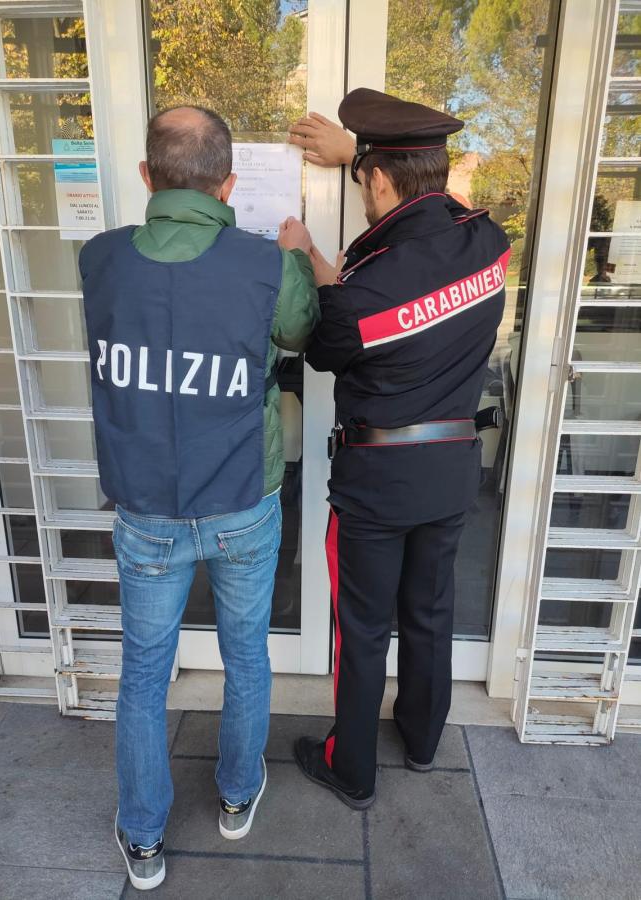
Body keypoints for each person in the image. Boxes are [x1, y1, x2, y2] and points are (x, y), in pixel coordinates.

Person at [79, 106, 318, 891]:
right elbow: (299, 331)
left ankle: (143, 836)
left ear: (147, 177)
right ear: (228, 184)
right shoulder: (260, 263)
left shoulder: (101, 260)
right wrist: (292, 254)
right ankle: (236, 795)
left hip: (146, 507)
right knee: (244, 655)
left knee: (145, 674)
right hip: (243, 499)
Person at [287, 88, 510, 809]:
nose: (360, 195)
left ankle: (349, 766)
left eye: (362, 181)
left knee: (361, 627)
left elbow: (333, 341)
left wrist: (303, 258)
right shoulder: (488, 243)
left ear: (379, 178)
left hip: (376, 482)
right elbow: (423, 232)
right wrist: (360, 157)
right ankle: (420, 741)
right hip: (449, 473)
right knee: (428, 612)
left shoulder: (362, 291)